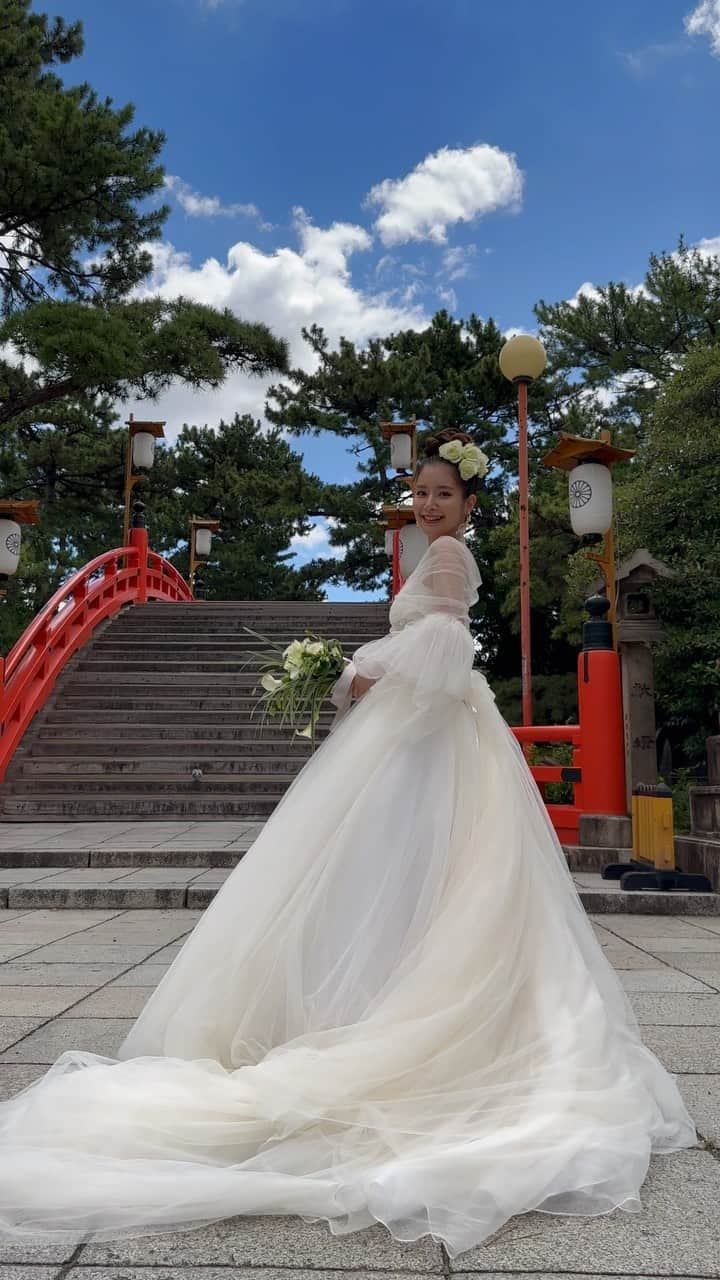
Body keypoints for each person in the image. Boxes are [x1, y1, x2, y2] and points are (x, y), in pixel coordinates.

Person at [0, 430, 696, 1259]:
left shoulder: (447, 560)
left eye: (444, 495)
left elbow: (438, 650)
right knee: (411, 873)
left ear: (470, 504)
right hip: (436, 735)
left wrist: (354, 673)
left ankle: (377, 1007)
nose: (431, 505)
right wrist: (353, 669)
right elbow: (434, 647)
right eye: (424, 495)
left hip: (429, 737)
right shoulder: (438, 558)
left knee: (397, 867)